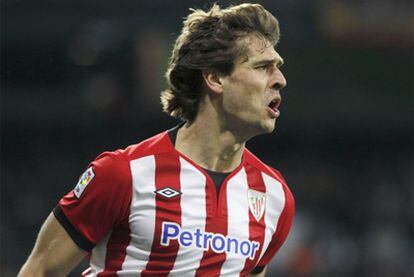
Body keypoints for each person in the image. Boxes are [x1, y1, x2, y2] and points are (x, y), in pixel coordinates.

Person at [19, 3, 294, 276]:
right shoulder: (123, 174)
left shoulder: (274, 197)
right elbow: (41, 270)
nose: (280, 79)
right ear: (215, 78)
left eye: (277, 67)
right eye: (262, 67)